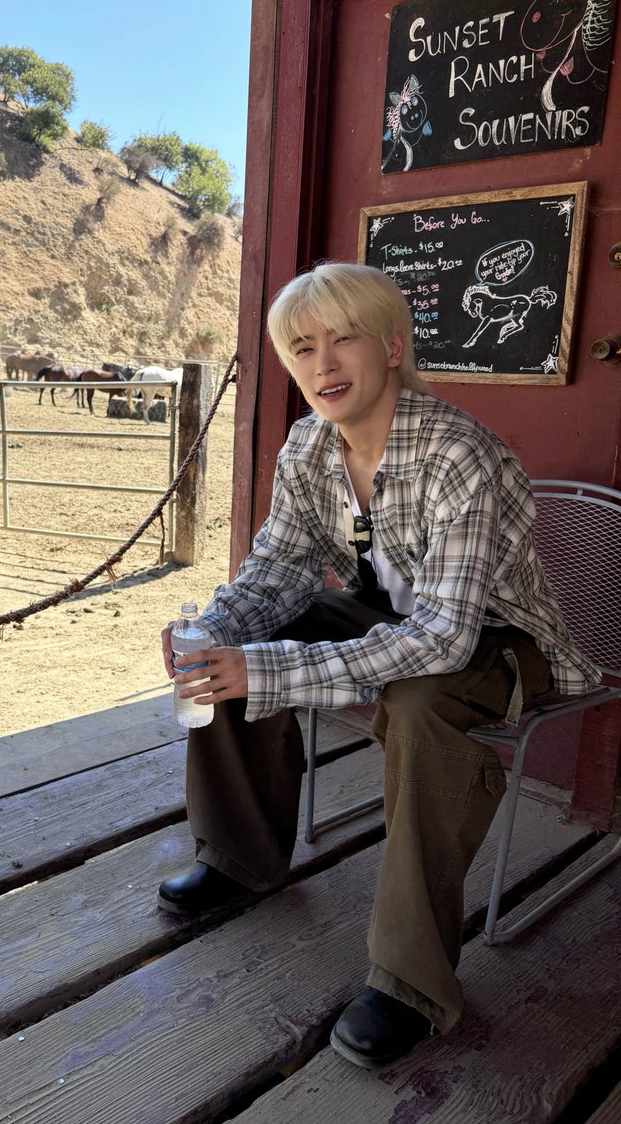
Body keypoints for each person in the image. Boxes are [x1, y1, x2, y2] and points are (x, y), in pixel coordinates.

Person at [158, 262, 599, 1070]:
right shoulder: (308, 447)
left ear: (392, 347)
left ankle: (409, 981)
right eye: (301, 347)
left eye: (343, 339)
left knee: (421, 703)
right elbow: (278, 571)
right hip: (393, 621)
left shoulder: (458, 453)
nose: (322, 363)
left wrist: (268, 671)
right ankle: (238, 855)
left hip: (500, 643)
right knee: (231, 645)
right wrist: (218, 632)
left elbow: (441, 640)